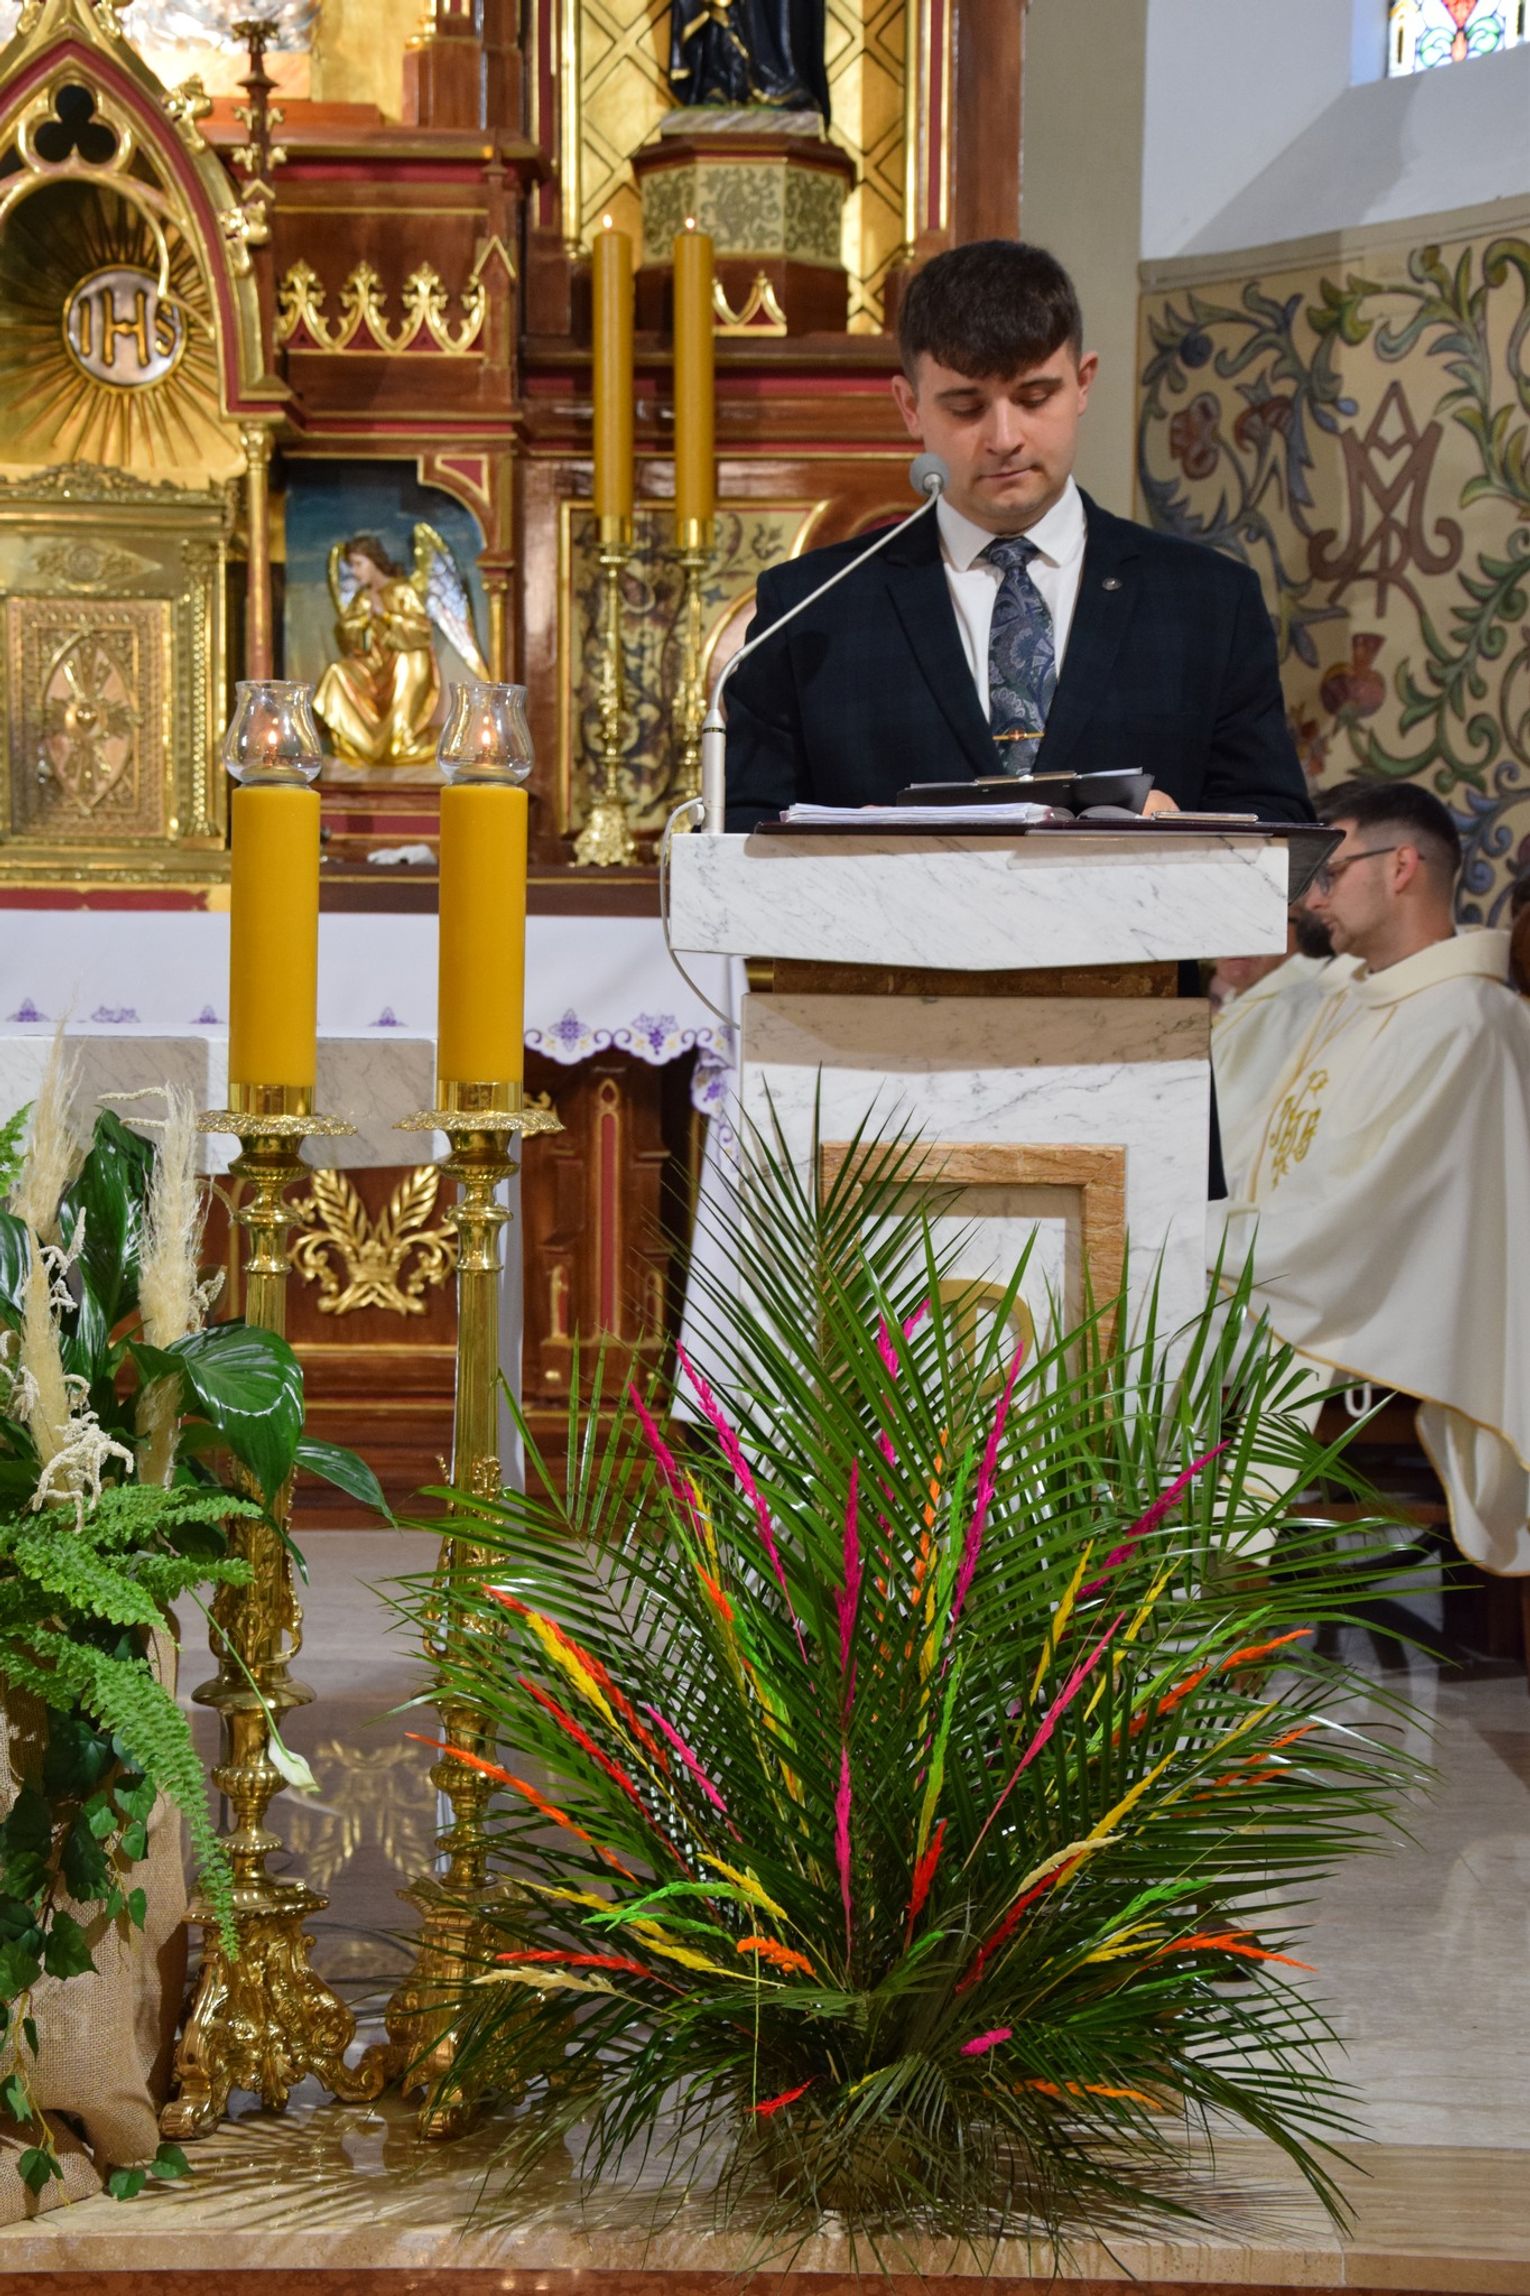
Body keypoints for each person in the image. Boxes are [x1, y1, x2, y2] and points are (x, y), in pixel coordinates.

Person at [724, 240, 1314, 830]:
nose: (1004, 438)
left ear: (1083, 382)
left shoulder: (1208, 600)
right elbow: (740, 835)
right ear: (910, 406)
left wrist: (1181, 828)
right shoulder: (809, 609)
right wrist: (846, 844)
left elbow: (1277, 824)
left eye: (1034, 398)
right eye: (966, 407)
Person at [1219, 781, 1530, 1576]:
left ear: (1401, 867)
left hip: (1385, 1312)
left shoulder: (1465, 1022)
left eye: (1329, 871)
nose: (1312, 898)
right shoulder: (1350, 1001)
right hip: (1308, 1271)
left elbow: (1361, 1225)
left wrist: (1203, 1244)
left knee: (1144, 1293)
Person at [1210, 906, 1354, 1196]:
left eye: (1260, 920)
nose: (1237, 937)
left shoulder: (1299, 1005)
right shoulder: (1246, 1000)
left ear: (1305, 926)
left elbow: (1234, 1129)